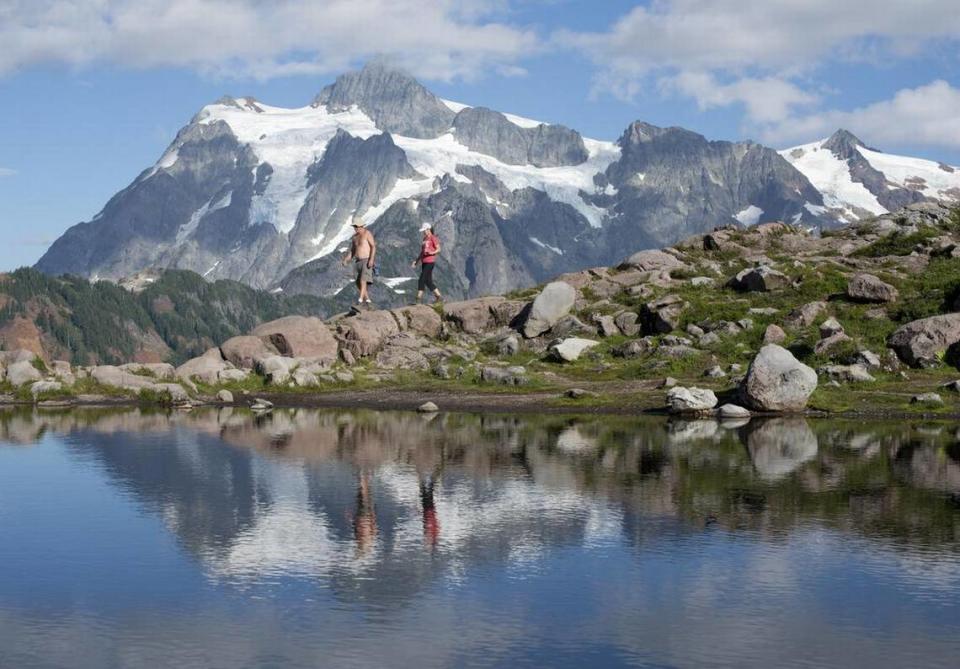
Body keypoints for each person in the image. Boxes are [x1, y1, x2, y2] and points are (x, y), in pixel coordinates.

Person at [342, 216, 376, 305]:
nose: (355, 228)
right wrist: (346, 259)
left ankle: (360, 300)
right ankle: (368, 300)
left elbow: (373, 246)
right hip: (357, 262)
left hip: (366, 260)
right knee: (358, 283)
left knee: (363, 280)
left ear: (361, 226)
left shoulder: (367, 233)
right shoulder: (354, 237)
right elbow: (352, 251)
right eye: (354, 226)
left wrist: (371, 259)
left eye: (356, 226)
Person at [411, 221, 442, 304]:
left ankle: (418, 299)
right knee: (428, 281)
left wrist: (432, 252)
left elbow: (439, 249)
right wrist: (416, 261)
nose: (423, 232)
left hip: (430, 261)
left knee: (421, 279)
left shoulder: (433, 238)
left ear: (428, 229)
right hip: (424, 262)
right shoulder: (424, 239)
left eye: (424, 230)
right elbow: (422, 252)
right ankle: (439, 297)